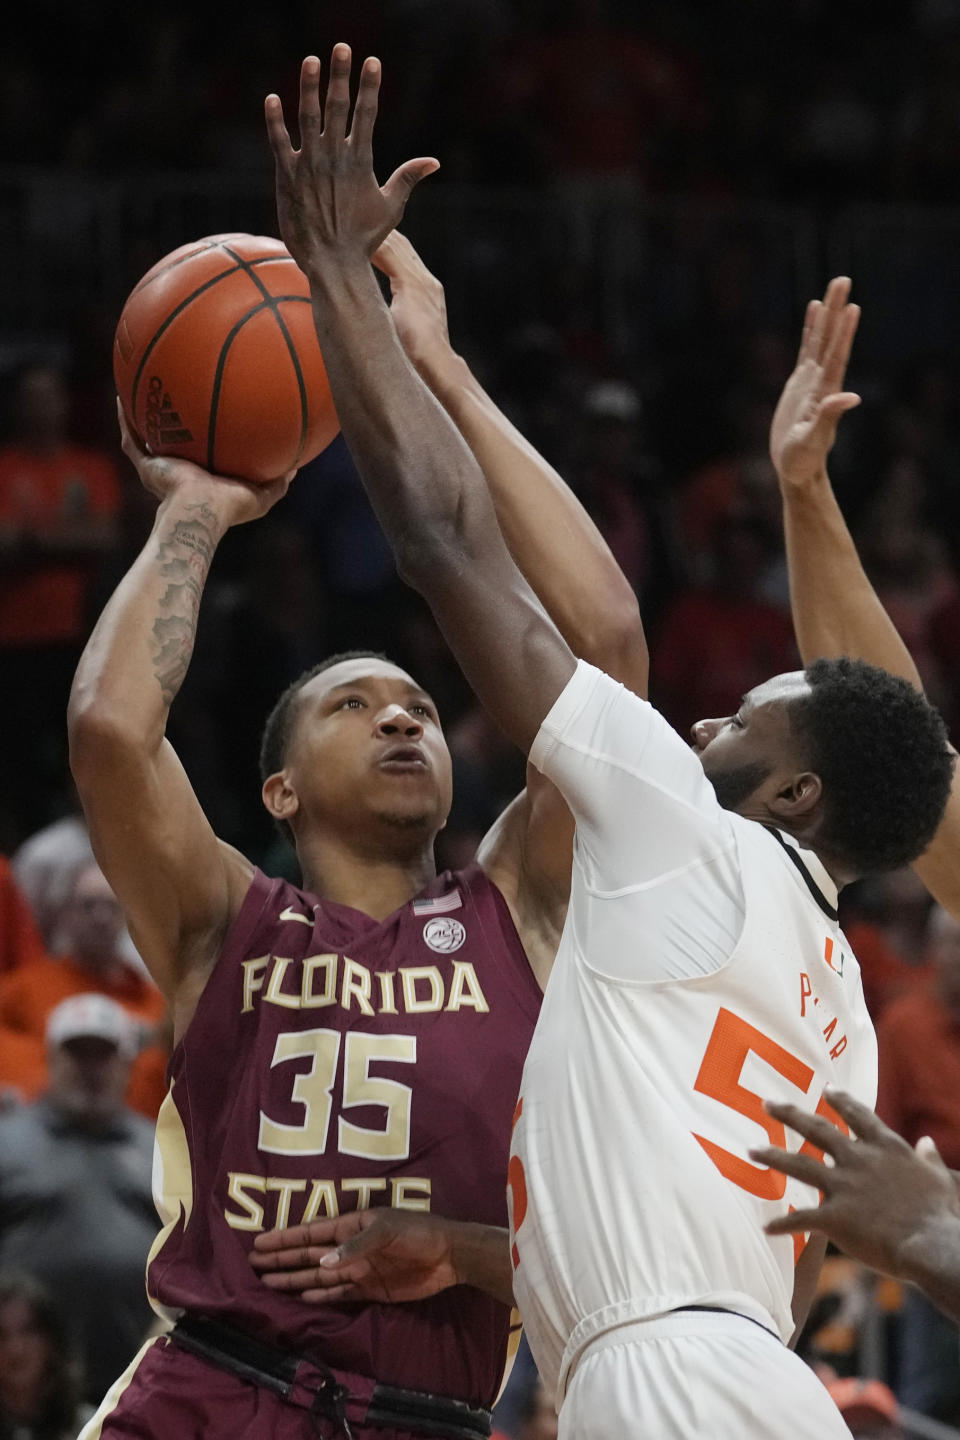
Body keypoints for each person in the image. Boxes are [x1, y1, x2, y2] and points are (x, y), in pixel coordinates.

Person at [255, 48, 953, 1439]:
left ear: (797, 792)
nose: (705, 717)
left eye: (742, 716)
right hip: (739, 1375)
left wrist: (338, 283)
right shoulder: (844, 1018)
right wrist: (466, 1255)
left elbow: (453, 551)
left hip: (668, 1386)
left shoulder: (686, 837)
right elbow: (688, 1255)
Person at [68, 114, 645, 1440]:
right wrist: (196, 511)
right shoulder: (225, 915)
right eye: (351, 704)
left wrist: (439, 372)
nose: (401, 718)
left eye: (417, 707)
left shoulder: (522, 906)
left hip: (426, 1414)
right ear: (276, 789)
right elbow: (109, 734)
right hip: (215, 1386)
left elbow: (607, 653)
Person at [0, 995, 158, 1405]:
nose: (91, 1068)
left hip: (137, 1385)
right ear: (51, 1058)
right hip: (22, 1391)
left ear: (127, 1064)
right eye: (77, 1053)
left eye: (104, 1054)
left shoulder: (163, 1149)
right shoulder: (6, 1143)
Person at [0, 861, 168, 1117]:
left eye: (111, 906)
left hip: (139, 1147)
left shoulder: (159, 1008)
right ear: (65, 912)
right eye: (88, 905)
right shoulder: (23, 990)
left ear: (128, 916)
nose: (100, 917)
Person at [0, 1271, 93, 1440]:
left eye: (28, 1331)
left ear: (51, 1340)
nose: (16, 1349)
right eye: (1, 1335)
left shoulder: (93, 1427)